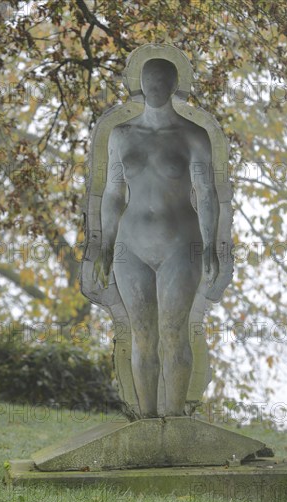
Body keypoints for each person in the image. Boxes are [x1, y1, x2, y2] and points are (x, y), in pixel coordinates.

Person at [93, 58, 219, 417]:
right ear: (140, 84)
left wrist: (209, 246)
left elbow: (206, 192)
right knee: (142, 334)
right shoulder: (122, 135)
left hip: (180, 243)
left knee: (173, 331)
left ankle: (175, 417)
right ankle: (147, 419)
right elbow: (113, 193)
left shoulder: (192, 135)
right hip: (130, 246)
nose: (155, 87)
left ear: (175, 85)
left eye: (163, 80)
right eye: (149, 80)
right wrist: (104, 243)